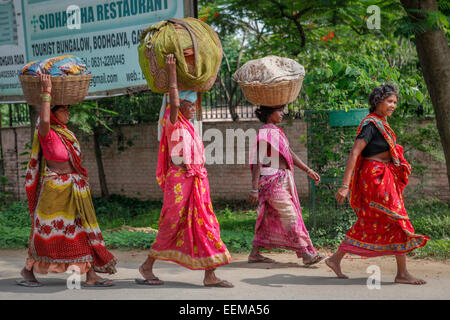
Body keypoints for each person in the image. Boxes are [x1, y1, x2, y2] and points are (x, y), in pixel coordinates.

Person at [136, 54, 233, 288]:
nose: (192, 109)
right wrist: (171, 71)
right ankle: (147, 265)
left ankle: (210, 274)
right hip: (178, 181)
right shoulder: (173, 122)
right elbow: (175, 103)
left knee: (206, 224)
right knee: (171, 223)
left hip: (196, 182)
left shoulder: (190, 127)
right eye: (188, 105)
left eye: (192, 106)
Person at [18, 74, 118, 287]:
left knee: (82, 232)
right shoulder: (46, 132)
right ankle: (28, 271)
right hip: (54, 193)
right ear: (53, 114)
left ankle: (90, 276)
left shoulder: (66, 134)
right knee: (46, 233)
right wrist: (47, 91)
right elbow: (43, 119)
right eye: (64, 109)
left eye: (67, 109)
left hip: (74, 191)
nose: (68, 112)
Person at [327, 84, 429, 284]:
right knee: (397, 218)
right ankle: (402, 273)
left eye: (395, 102)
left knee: (375, 221)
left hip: (384, 176)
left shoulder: (381, 123)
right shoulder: (371, 125)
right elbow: (355, 153)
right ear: (377, 102)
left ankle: (335, 259)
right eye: (389, 101)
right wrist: (345, 185)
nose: (393, 105)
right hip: (375, 178)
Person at [248, 105, 324, 266]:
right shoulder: (265, 133)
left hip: (278, 180)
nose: (283, 114)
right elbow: (258, 161)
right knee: (291, 215)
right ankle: (305, 253)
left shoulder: (275, 132)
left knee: (268, 217)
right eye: (279, 111)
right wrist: (254, 189)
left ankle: (254, 254)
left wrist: (308, 170)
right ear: (270, 114)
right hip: (272, 182)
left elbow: (288, 153)